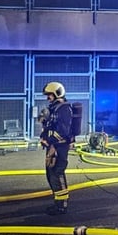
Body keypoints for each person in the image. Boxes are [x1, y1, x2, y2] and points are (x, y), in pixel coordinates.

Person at [40, 81, 73, 215]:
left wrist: (49, 139)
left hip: (59, 147)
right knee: (51, 174)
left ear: (57, 94)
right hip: (52, 147)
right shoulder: (55, 108)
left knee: (57, 173)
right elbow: (49, 127)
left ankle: (62, 205)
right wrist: (43, 136)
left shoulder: (64, 109)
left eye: (50, 95)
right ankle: (57, 202)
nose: (48, 98)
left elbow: (63, 132)